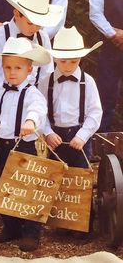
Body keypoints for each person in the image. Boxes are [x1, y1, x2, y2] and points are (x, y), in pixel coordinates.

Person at [0, 37, 50, 251]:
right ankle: (10, 226)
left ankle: (31, 232)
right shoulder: (2, 93)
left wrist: (30, 121)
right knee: (5, 187)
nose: (12, 72)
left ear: (29, 70)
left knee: (28, 189)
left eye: (18, 67)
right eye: (7, 67)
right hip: (5, 146)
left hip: (26, 147)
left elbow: (38, 110)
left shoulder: (32, 94)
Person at [39, 26, 103, 168]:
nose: (68, 67)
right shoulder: (45, 82)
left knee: (79, 179)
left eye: (73, 62)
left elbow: (95, 112)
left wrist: (82, 135)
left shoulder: (88, 82)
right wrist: (48, 132)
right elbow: (39, 110)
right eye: (63, 61)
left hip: (79, 139)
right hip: (55, 140)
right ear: (54, 58)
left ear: (80, 58)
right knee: (54, 178)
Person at [0, 0, 64, 99]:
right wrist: (6, 101)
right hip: (3, 98)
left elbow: (47, 73)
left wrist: (37, 101)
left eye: (39, 25)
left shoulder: (43, 38)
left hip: (33, 101)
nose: (34, 28)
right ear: (17, 14)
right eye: (30, 23)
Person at [89, 0, 123, 132]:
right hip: (110, 47)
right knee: (105, 97)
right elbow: (95, 13)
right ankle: (101, 142)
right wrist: (114, 34)